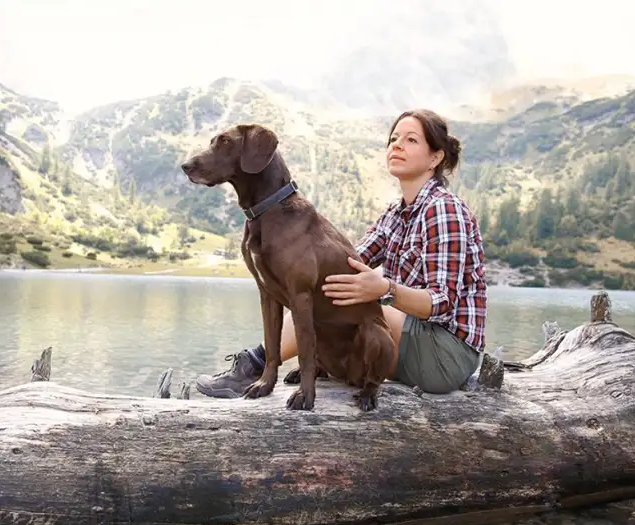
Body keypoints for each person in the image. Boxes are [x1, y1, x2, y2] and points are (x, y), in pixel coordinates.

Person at [194, 109, 488, 399]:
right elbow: (343, 263)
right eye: (394, 138)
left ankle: (254, 365)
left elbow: (442, 303)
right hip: (409, 342)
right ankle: (270, 364)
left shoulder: (444, 209)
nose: (396, 145)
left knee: (349, 302)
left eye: (411, 140)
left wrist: (385, 289)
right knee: (328, 289)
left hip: (445, 354)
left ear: (435, 158)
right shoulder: (396, 214)